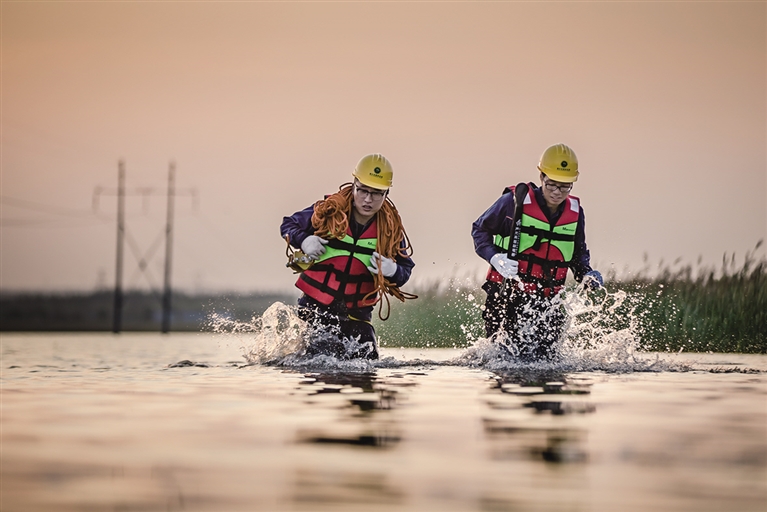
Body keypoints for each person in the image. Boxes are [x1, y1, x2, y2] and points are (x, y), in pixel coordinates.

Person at [471, 143, 603, 361]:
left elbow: (578, 256)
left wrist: (587, 274)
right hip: (506, 295)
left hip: (547, 301)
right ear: (541, 176)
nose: (557, 192)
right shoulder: (513, 202)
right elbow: (479, 230)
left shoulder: (576, 213)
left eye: (564, 186)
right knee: (504, 362)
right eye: (551, 184)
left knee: (548, 362)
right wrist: (495, 258)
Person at [280, 154, 415, 360]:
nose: (368, 199)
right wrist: (305, 240)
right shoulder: (329, 210)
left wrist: (394, 270)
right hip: (316, 309)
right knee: (321, 359)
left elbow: (405, 270)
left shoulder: (390, 228)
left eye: (377, 193)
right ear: (354, 185)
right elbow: (288, 225)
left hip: (358, 314)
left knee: (368, 361)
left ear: (386, 193)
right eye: (363, 190)